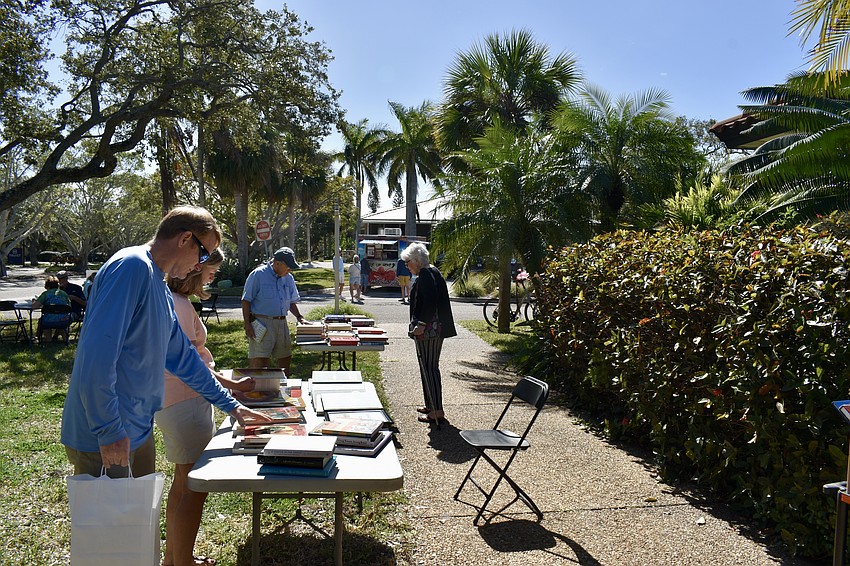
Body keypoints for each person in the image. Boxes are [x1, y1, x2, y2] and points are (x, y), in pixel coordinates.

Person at [61, 206, 270, 482]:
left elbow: (184, 359)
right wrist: (109, 430)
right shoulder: (132, 267)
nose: (200, 265)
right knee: (113, 524)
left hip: (136, 431)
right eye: (203, 254)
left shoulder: (158, 285)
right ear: (185, 239)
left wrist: (232, 405)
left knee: (140, 523)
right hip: (103, 437)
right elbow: (96, 358)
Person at [156, 249, 255, 566]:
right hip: (185, 402)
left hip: (173, 402)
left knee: (182, 483)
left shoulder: (173, 301)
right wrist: (233, 386)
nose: (213, 277)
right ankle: (182, 561)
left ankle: (175, 557)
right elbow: (189, 365)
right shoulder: (180, 305)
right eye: (211, 271)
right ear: (194, 270)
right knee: (194, 489)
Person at [400, 242, 457, 426]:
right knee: (427, 366)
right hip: (433, 329)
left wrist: (422, 324)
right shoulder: (431, 272)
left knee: (430, 367)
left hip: (431, 330)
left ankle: (436, 410)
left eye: (408, 262)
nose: (407, 266)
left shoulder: (426, 273)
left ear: (416, 261)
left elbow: (431, 301)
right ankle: (431, 405)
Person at [242, 246, 307, 374]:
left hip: (282, 324)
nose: (289, 270)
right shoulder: (258, 275)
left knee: (285, 358)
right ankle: (258, 390)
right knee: (259, 361)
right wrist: (247, 324)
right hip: (261, 323)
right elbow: (246, 300)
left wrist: (299, 317)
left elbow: (291, 302)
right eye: (287, 267)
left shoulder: (288, 278)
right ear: (277, 263)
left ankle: (282, 388)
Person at [32, 275, 71, 343]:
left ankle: (48, 340)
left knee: (44, 322)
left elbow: (34, 306)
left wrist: (34, 302)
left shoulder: (46, 294)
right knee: (62, 325)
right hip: (64, 320)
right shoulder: (64, 294)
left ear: (47, 286)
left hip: (48, 320)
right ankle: (66, 341)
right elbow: (69, 306)